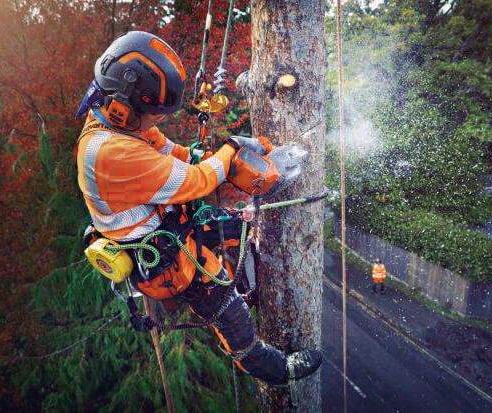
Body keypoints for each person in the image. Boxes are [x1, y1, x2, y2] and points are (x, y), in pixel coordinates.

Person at [75, 31, 321, 386]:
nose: (154, 123)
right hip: (165, 262)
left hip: (172, 230)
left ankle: (247, 287)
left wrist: (220, 159)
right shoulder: (109, 151)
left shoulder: (122, 125)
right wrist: (232, 148)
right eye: (151, 116)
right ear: (122, 106)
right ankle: (275, 369)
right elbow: (196, 182)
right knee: (226, 310)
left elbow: (173, 155)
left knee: (232, 228)